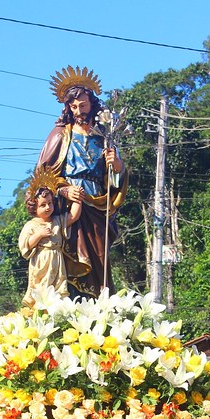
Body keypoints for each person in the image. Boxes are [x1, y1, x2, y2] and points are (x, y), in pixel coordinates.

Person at [37, 66, 128, 298]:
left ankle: (100, 304)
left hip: (97, 202)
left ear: (92, 104)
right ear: (67, 107)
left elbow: (114, 180)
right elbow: (42, 176)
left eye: (83, 105)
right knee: (72, 255)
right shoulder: (60, 134)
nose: (79, 111)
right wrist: (64, 190)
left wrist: (116, 165)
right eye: (74, 106)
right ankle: (74, 302)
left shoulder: (103, 136)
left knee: (99, 258)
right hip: (70, 204)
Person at [19, 177, 82, 306]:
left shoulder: (57, 221)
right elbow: (25, 245)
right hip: (41, 261)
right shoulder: (31, 225)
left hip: (57, 260)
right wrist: (38, 235)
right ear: (33, 207)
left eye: (50, 203)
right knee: (41, 288)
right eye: (43, 205)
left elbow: (73, 216)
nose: (48, 207)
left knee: (59, 289)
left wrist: (78, 198)